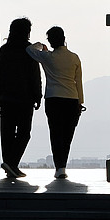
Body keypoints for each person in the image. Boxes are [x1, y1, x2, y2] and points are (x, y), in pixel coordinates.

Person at [26, 26, 84, 179]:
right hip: (72, 99)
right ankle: (63, 166)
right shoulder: (74, 57)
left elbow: (29, 50)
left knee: (56, 133)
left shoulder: (47, 57)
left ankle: (59, 167)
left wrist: (40, 45)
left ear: (50, 41)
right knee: (67, 135)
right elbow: (78, 81)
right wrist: (80, 101)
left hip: (53, 99)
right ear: (64, 38)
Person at [0, 17, 42, 179]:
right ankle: (12, 163)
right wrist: (38, 95)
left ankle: (10, 163)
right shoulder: (29, 50)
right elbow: (35, 75)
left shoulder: (4, 49)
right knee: (24, 133)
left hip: (6, 98)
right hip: (25, 99)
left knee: (6, 132)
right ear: (27, 32)